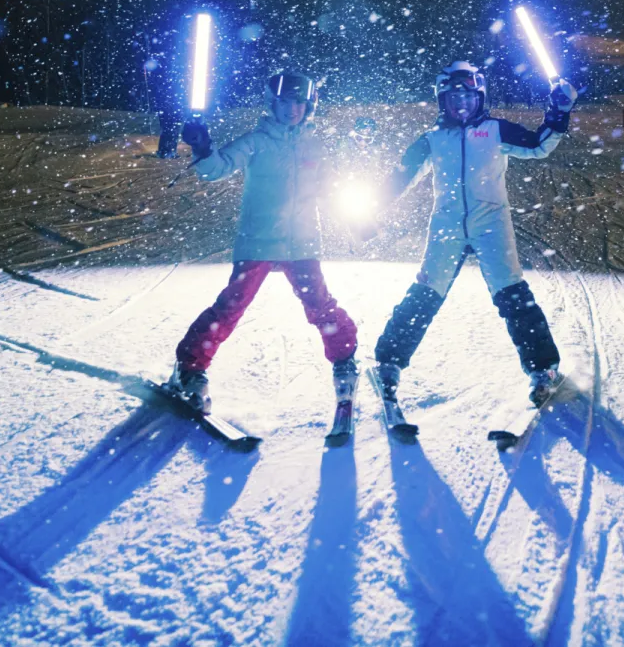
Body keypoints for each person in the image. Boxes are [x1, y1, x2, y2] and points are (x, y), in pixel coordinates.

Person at [364, 61, 577, 413]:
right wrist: (371, 208)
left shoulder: (495, 130)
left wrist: (559, 111)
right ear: (441, 101)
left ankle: (543, 370)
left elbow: (539, 146)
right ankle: (389, 362)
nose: (461, 104)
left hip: (490, 223)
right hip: (447, 226)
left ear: (480, 98)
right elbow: (400, 178)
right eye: (453, 99)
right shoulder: (432, 139)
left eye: (468, 98)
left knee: (512, 295)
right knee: (425, 294)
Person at [166, 71, 359, 417]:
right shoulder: (256, 141)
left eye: (299, 102)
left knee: (319, 305)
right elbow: (216, 168)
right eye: (284, 102)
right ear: (272, 104)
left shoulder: (315, 145)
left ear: (309, 105)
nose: (292, 109)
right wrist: (203, 147)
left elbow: (329, 189)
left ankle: (345, 358)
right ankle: (190, 368)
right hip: (258, 240)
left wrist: (355, 220)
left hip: (301, 243)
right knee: (230, 307)